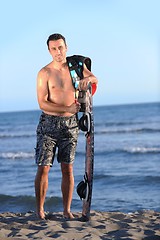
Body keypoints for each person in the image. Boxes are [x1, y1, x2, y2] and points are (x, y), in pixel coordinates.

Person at [34, 33, 98, 219]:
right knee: (43, 167)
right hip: (49, 124)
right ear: (49, 50)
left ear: (66, 47)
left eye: (60, 47)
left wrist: (88, 80)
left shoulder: (76, 66)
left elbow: (94, 78)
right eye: (54, 48)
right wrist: (67, 107)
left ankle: (67, 211)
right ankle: (40, 210)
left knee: (67, 168)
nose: (58, 52)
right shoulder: (44, 73)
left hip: (71, 124)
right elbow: (43, 103)